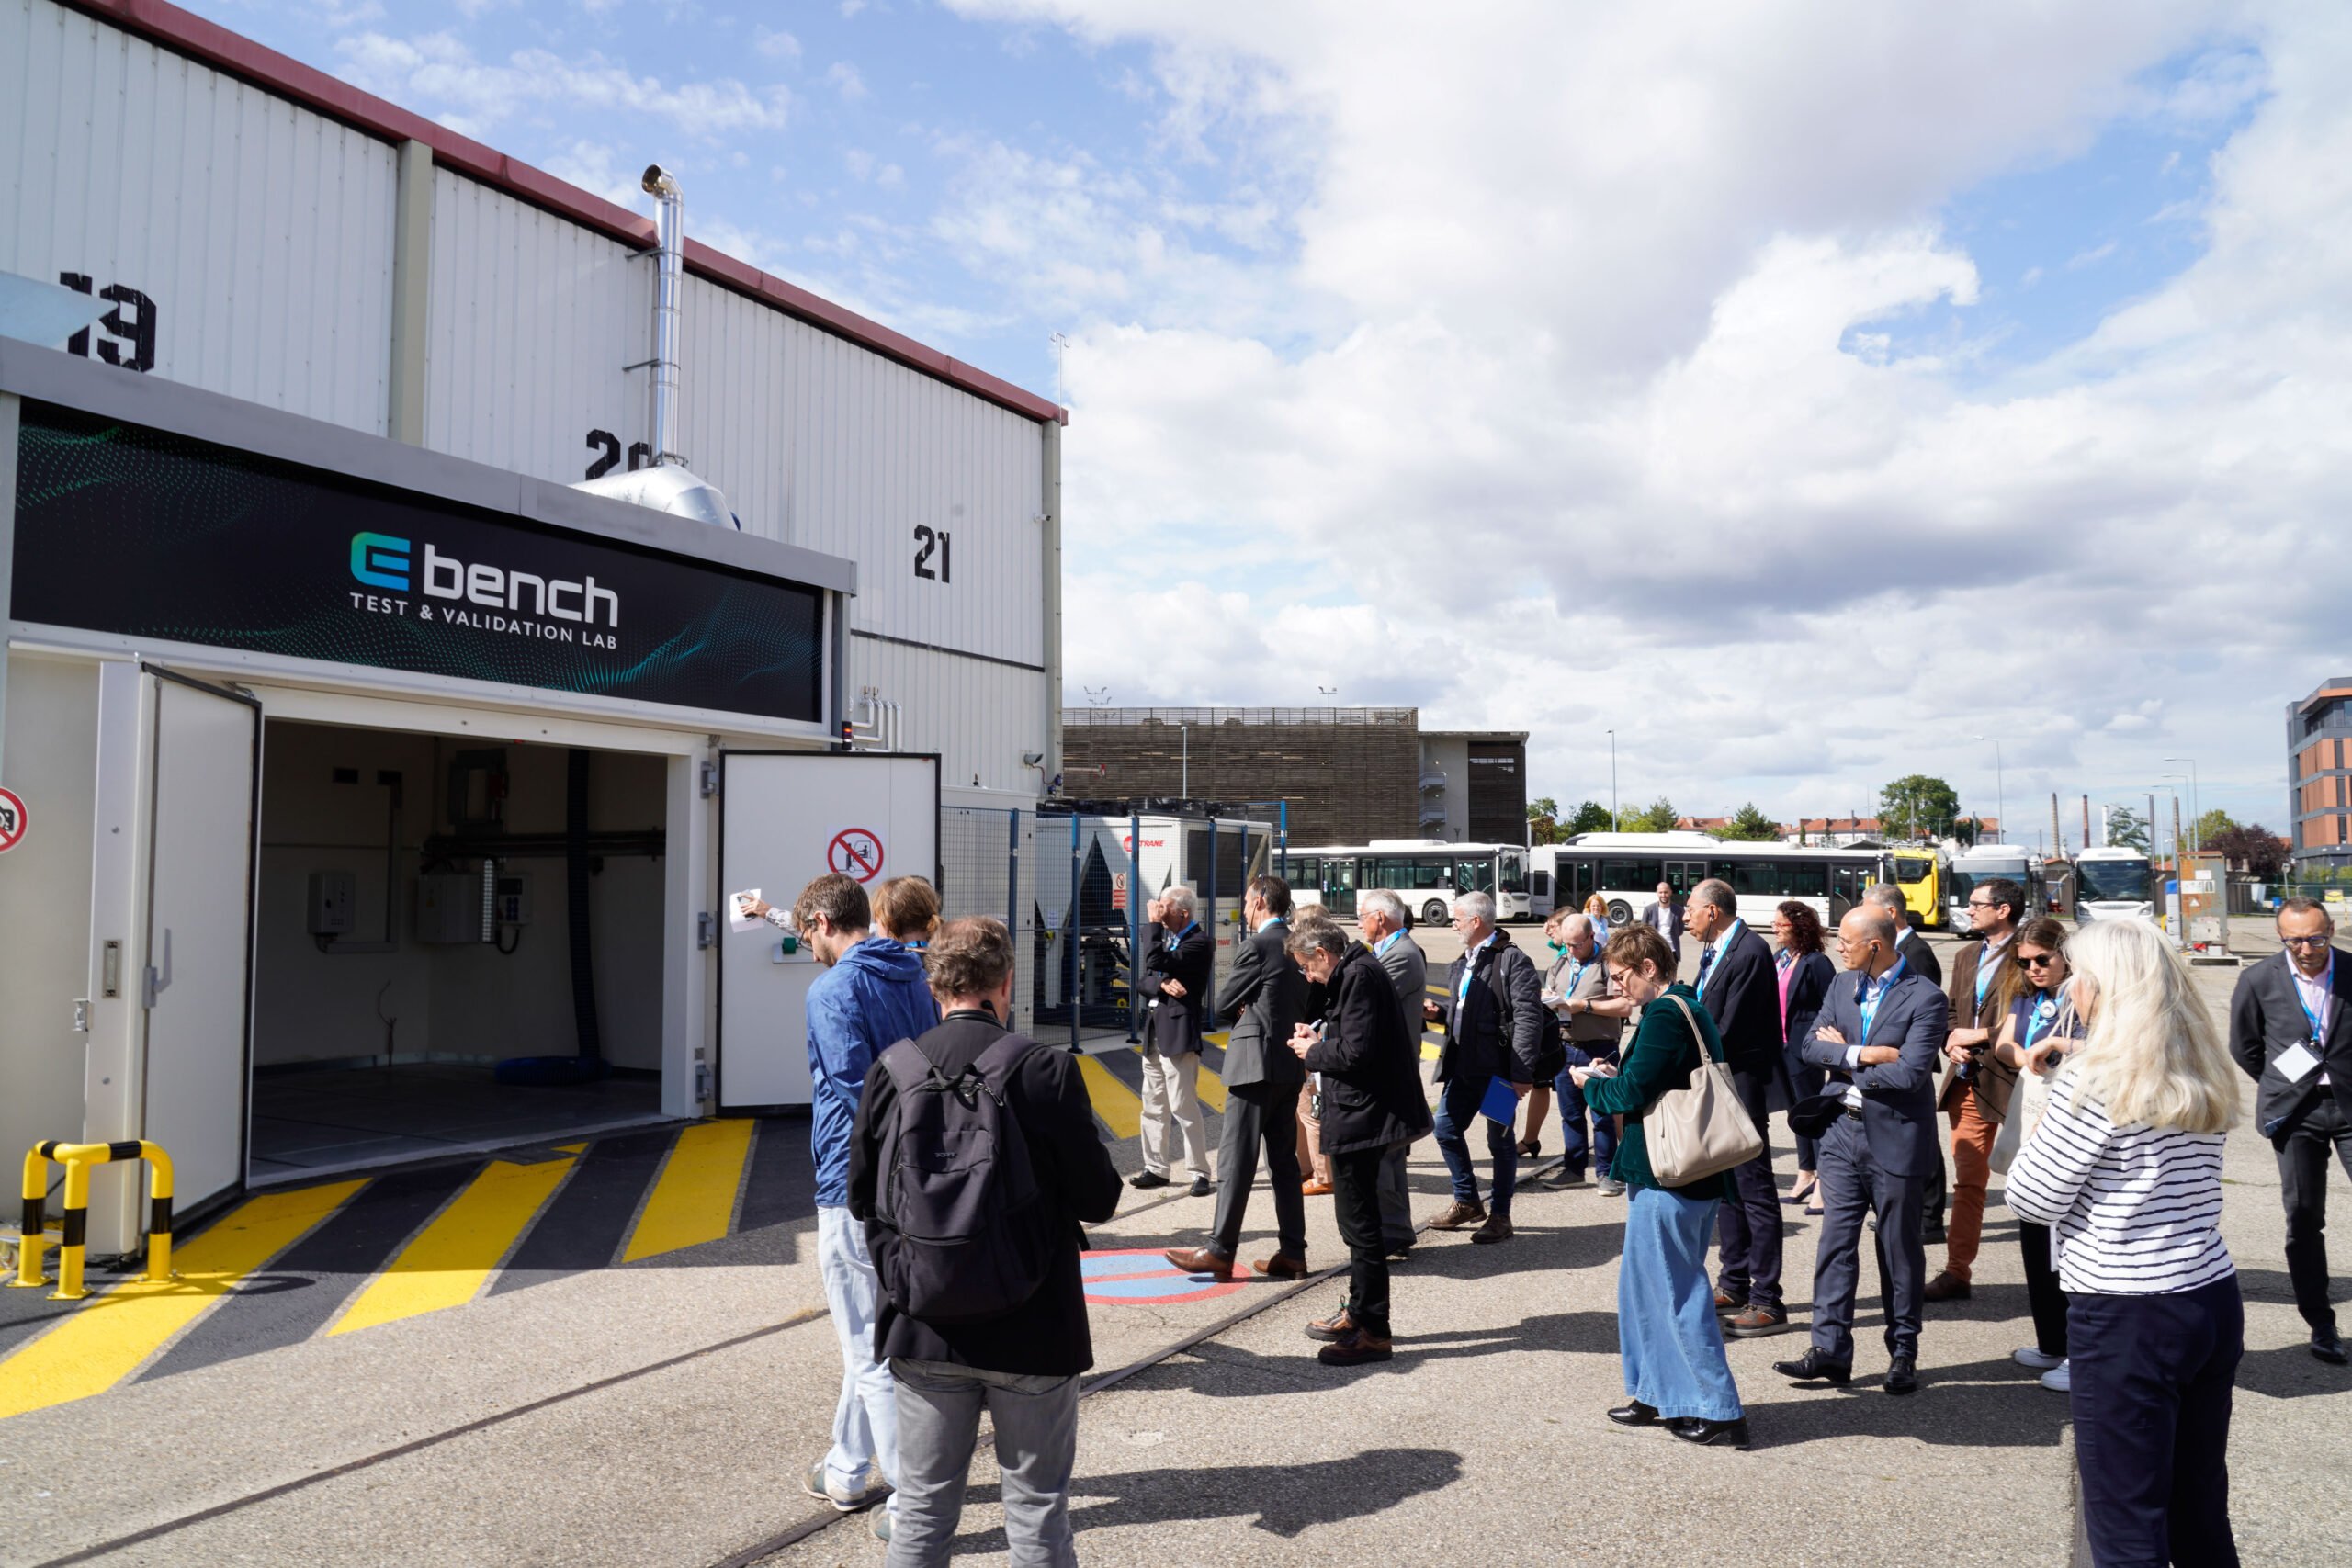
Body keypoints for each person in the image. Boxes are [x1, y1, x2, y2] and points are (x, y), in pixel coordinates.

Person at [847, 917, 1122, 1565]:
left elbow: (863, 1195)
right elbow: (1099, 1199)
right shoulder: (1046, 1068)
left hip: (923, 1323)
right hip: (1034, 1327)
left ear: (934, 982)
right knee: (1036, 1509)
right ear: (1006, 982)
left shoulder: (893, 1070)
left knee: (921, 1510)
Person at [2007, 918, 2245, 1566]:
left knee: (2124, 1519)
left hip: (2127, 1305)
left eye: (2079, 973)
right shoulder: (2200, 1064)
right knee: (2197, 1505)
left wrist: (2047, 1086)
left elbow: (2030, 1196)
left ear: (2105, 986)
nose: (2071, 986)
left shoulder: (2096, 1079)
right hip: (2208, 1291)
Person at [789, 873, 941, 1529]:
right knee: (870, 1333)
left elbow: (856, 1092)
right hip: (911, 1179)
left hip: (852, 1185)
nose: (809, 950)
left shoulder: (832, 988)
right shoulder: (914, 976)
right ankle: (849, 1466)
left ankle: (914, 1503)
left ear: (824, 922)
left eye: (806, 936)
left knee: (868, 1348)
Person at [1575, 922, 1748, 1447]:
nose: (1616, 986)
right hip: (1674, 1171)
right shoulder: (1680, 1008)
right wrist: (1616, 1073)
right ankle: (1657, 1391)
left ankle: (1718, 1407)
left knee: (1675, 1292)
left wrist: (1592, 1086)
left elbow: (1628, 1095)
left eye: (1622, 976)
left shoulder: (1666, 1015)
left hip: (1670, 1174)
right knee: (1646, 1290)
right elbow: (1651, 1080)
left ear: (1649, 968)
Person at [1773, 904, 1946, 1396]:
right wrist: (1864, 1054)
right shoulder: (1841, 985)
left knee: (1899, 1251)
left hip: (1895, 1138)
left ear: (1875, 945)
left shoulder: (1926, 998)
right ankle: (1829, 1350)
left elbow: (1911, 1073)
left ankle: (1903, 1351)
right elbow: (1811, 1047)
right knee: (1834, 1245)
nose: (1837, 947)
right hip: (1840, 1134)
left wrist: (1844, 1057)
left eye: (1846, 940)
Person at [1283, 918, 1434, 1366]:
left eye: (1307, 968)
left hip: (1363, 1116)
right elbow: (1354, 1038)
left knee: (1360, 1226)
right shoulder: (1357, 970)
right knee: (1357, 1224)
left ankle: (1373, 1330)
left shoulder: (1359, 975)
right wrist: (1322, 1037)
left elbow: (1356, 1052)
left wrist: (1312, 1052)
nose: (1308, 977)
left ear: (1323, 955)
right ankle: (1360, 1311)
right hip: (1359, 1112)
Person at [2227, 894, 2352, 1365]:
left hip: (2349, 1106)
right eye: (2295, 940)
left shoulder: (2350, 971)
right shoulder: (2259, 979)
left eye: (2316, 938)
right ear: (2282, 937)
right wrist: (2282, 1084)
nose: (2306, 948)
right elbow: (2245, 1045)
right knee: (2304, 1217)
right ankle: (2321, 1323)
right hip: (2296, 1113)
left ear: (2331, 931)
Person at [1166, 875, 1309, 1281]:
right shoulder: (1296, 943)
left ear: (1262, 901)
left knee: (1235, 1159)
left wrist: (1248, 1005)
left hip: (1253, 1066)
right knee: (1283, 1164)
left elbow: (1225, 1000)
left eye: (1247, 902)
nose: (1244, 910)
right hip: (1287, 1065)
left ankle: (1219, 1249)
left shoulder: (1259, 944)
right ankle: (1293, 1253)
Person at [1683, 879, 1785, 1336]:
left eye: (1690, 908)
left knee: (1755, 1188)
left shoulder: (1748, 951)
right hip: (1721, 1080)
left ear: (1712, 910)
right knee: (1730, 1187)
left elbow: (1729, 1025)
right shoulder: (1717, 946)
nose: (1685, 916)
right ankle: (1734, 1281)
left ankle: (1768, 1298)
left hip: (1740, 1083)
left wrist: (1679, 1044)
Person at [1983, 916, 2079, 1390]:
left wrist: (2062, 1046)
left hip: (2075, 1122)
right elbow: (2004, 1043)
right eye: (2025, 963)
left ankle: (2080, 1353)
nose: (2035, 969)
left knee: (2070, 1241)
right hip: (2033, 1117)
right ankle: (2052, 1341)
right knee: (2034, 1229)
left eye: (2044, 959)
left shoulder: (2085, 994)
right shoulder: (2025, 995)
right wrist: (2027, 1057)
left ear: (2065, 953)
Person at [1925, 876, 2027, 1303]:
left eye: (1976, 904)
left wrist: (1978, 1035)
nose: (1968, 910)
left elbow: (2039, 1016)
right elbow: (1951, 1011)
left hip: (2023, 1081)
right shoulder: (1967, 954)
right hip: (1970, 1084)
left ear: (2002, 909)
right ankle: (1957, 1272)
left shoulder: (2032, 954)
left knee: (2043, 1181)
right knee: (1969, 1181)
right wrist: (1951, 1040)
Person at [1424, 891, 1544, 1244]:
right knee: (1445, 1128)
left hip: (1499, 1074)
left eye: (1457, 919)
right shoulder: (1464, 961)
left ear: (1476, 921)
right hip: (1464, 1067)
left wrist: (1521, 1074)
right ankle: (1467, 1201)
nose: (1453, 925)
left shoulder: (1512, 960)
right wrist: (1440, 1013)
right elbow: (1464, 1012)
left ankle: (1501, 1216)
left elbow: (1528, 1018)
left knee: (1500, 1141)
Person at [1540, 911, 1636, 1190]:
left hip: (1600, 1048)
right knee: (1570, 1114)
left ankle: (1606, 1173)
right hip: (1565, 1047)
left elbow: (1624, 1006)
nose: (1571, 950)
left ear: (1592, 937)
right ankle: (1574, 1169)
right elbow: (1551, 994)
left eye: (1577, 944)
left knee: (1602, 1114)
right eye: (1567, 945)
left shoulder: (1608, 963)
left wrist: (1583, 1006)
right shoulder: (1561, 962)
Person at [1129, 888, 1215, 1197]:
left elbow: (1154, 959)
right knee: (1152, 1105)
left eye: (1164, 907)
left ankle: (1199, 1171)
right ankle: (1155, 1167)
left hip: (1178, 1035)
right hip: (1154, 1032)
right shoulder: (1168, 940)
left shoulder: (1198, 943)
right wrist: (1162, 983)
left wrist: (1152, 925)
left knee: (1183, 1105)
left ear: (1183, 913)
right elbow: (1143, 980)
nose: (1158, 910)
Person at [1358, 888, 1427, 1258]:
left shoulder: (1400, 955)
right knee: (1389, 1152)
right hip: (1389, 1064)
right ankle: (1396, 1229)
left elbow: (1364, 1002)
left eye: (1362, 916)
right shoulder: (1391, 951)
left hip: (1389, 1067)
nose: (1359, 924)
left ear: (1380, 919)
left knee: (1384, 1152)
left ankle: (1391, 1230)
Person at [1772, 901, 1837, 1213]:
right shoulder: (1780, 958)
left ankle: (1825, 1182)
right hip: (1781, 1048)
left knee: (1813, 1113)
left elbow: (1832, 1006)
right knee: (1796, 1114)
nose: (1774, 928)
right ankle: (1805, 1172)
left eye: (1780, 924)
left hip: (1805, 1050)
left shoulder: (1817, 962)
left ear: (1798, 927)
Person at [1865, 883, 1942, 988]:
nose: (1864, 918)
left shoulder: (1918, 953)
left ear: (1891, 912)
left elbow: (1926, 999)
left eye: (1869, 912)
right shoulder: (1883, 948)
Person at [872, 875, 941, 948]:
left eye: (877, 920)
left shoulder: (876, 957)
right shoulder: (947, 953)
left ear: (887, 921)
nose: (876, 924)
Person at [1638, 881, 1686, 965]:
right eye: (1661, 892)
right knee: (1656, 977)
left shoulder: (1678, 910)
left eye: (1666, 892)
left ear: (1670, 892)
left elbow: (1680, 930)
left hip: (1672, 950)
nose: (1663, 895)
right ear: (1657, 893)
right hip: (1654, 950)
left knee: (1671, 977)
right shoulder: (1649, 910)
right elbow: (1642, 930)